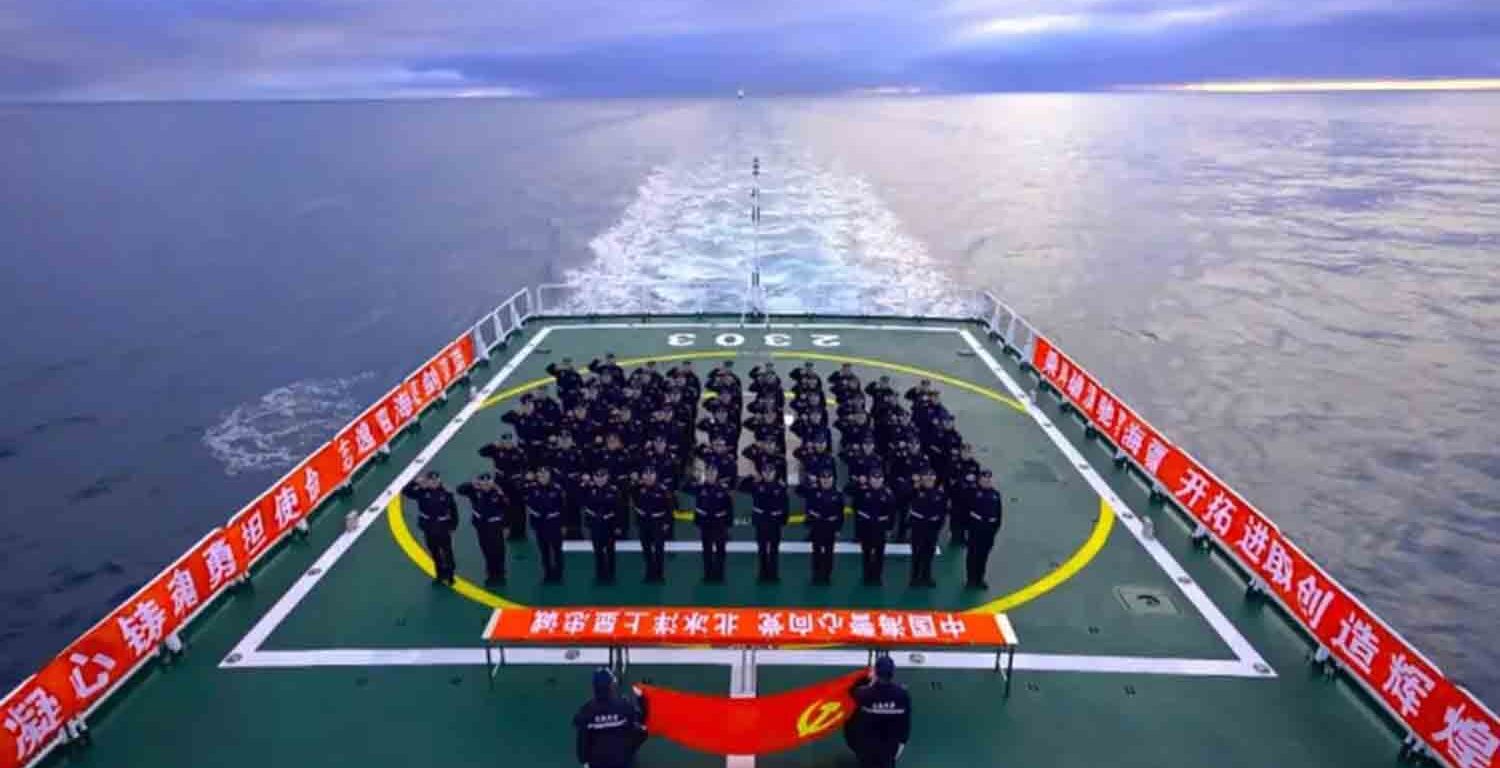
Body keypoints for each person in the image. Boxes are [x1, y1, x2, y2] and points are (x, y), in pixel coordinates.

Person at [843, 656, 910, 768]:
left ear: (875, 673)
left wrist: (869, 680)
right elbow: (905, 724)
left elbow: (852, 692)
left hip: (868, 749)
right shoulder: (902, 695)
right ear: (892, 673)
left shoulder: (864, 694)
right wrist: (901, 744)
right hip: (890, 749)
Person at [574, 667, 648, 768]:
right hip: (623, 762)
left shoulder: (586, 711)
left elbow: (582, 739)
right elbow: (641, 722)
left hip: (597, 763)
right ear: (611, 686)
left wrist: (584, 761)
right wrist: (642, 698)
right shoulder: (624, 706)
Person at [402, 471, 459, 585]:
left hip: (443, 527)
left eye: (436, 480)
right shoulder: (421, 492)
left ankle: (450, 575)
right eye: (431, 481)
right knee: (434, 552)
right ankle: (439, 574)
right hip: (428, 527)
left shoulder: (447, 493)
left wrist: (453, 526)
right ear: (427, 481)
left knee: (447, 552)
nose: (434, 483)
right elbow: (405, 491)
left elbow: (454, 511)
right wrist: (415, 482)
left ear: (439, 480)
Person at [456, 473, 509, 585]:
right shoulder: (474, 491)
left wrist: (506, 525)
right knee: (486, 549)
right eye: (483, 481)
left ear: (492, 482)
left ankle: (500, 573)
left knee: (499, 550)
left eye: (488, 481)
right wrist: (471, 484)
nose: (485, 484)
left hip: (495, 526)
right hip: (482, 526)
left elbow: (506, 508)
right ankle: (491, 573)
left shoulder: (497, 492)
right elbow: (460, 490)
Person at [740, 463, 788, 583]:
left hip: (775, 521)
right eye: (765, 472)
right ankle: (762, 573)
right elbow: (741, 487)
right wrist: (751, 478)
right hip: (761, 521)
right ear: (762, 473)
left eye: (770, 472)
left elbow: (785, 505)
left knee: (774, 549)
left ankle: (773, 574)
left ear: (775, 473)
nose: (768, 474)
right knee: (761, 548)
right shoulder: (756, 485)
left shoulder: (780, 487)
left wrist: (783, 520)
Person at [478, 435, 529, 540]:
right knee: (504, 507)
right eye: (505, 441)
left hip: (515, 483)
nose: (507, 443)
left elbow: (525, 467)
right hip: (501, 482)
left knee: (519, 508)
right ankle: (508, 530)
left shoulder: (519, 452)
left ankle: (521, 531)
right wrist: (492, 445)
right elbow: (481, 452)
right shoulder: (497, 451)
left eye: (509, 441)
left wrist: (522, 480)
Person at [799, 470, 845, 585]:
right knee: (816, 552)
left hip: (830, 527)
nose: (826, 481)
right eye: (823, 479)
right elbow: (807, 506)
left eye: (828, 479)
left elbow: (840, 514)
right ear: (820, 480)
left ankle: (827, 575)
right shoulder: (813, 492)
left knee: (829, 552)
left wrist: (838, 529)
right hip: (817, 526)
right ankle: (816, 574)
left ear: (832, 480)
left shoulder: (838, 495)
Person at [688, 465, 733, 583]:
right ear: (706, 474)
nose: (711, 476)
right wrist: (694, 478)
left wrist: (728, 525)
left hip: (719, 524)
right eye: (708, 473)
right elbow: (685, 488)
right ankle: (708, 575)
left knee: (720, 551)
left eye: (713, 473)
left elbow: (729, 508)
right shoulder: (700, 488)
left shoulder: (723, 489)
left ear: (717, 474)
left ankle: (720, 575)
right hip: (705, 524)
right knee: (707, 551)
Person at [852, 469, 896, 586]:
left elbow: (892, 513)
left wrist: (889, 528)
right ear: (870, 479)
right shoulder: (862, 491)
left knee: (879, 553)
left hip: (880, 526)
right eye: (874, 479)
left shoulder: (888, 493)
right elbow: (855, 507)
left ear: (883, 479)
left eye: (879, 479)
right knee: (866, 552)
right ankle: (866, 575)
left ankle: (877, 576)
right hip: (866, 525)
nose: (876, 481)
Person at [525, 467, 566, 584]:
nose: (543, 478)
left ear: (549, 476)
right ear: (537, 476)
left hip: (554, 523)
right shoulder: (531, 488)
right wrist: (526, 479)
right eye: (540, 475)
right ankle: (547, 574)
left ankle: (559, 574)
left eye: (545, 475)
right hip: (540, 524)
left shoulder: (557, 489)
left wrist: (563, 524)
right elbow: (527, 502)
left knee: (557, 550)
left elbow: (562, 508)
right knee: (544, 551)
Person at [633, 467, 674, 583]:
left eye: (651, 475)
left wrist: (667, 523)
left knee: (659, 549)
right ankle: (649, 572)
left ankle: (659, 574)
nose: (649, 478)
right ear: (643, 477)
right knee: (646, 549)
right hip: (644, 523)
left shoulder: (663, 490)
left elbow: (670, 508)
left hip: (658, 522)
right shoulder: (638, 489)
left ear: (655, 476)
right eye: (646, 475)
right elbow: (633, 503)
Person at [907, 470, 947, 587]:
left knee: (929, 554)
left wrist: (938, 526)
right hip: (918, 528)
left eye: (931, 477)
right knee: (917, 553)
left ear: (935, 479)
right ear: (922, 478)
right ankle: (914, 577)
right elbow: (905, 496)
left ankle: (926, 576)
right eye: (926, 476)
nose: (929, 479)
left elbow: (943, 512)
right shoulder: (916, 491)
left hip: (932, 528)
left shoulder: (940, 494)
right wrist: (914, 485)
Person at [966, 470, 1004, 589]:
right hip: (976, 529)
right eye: (984, 479)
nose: (987, 481)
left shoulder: (996, 495)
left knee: (983, 556)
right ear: (979, 480)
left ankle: (979, 578)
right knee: (973, 555)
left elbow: (999, 514)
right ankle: (971, 579)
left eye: (989, 479)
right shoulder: (973, 492)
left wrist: (994, 529)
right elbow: (967, 510)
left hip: (989, 531)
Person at [583, 469, 621, 584]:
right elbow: (587, 508)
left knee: (610, 551)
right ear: (594, 478)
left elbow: (619, 509)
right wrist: (588, 523)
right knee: (598, 550)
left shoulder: (613, 490)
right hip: (595, 525)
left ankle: (611, 574)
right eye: (597, 477)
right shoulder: (590, 490)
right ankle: (600, 574)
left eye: (602, 477)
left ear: (607, 477)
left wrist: (618, 526)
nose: (600, 479)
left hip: (609, 524)